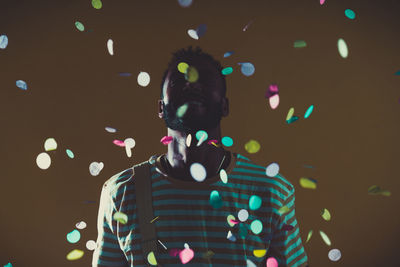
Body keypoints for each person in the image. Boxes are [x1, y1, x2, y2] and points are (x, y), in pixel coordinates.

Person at [92, 46, 309, 266]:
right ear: (160, 107)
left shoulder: (271, 190)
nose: (192, 85)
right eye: (179, 80)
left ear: (225, 106)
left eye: (203, 80)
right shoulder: (121, 192)